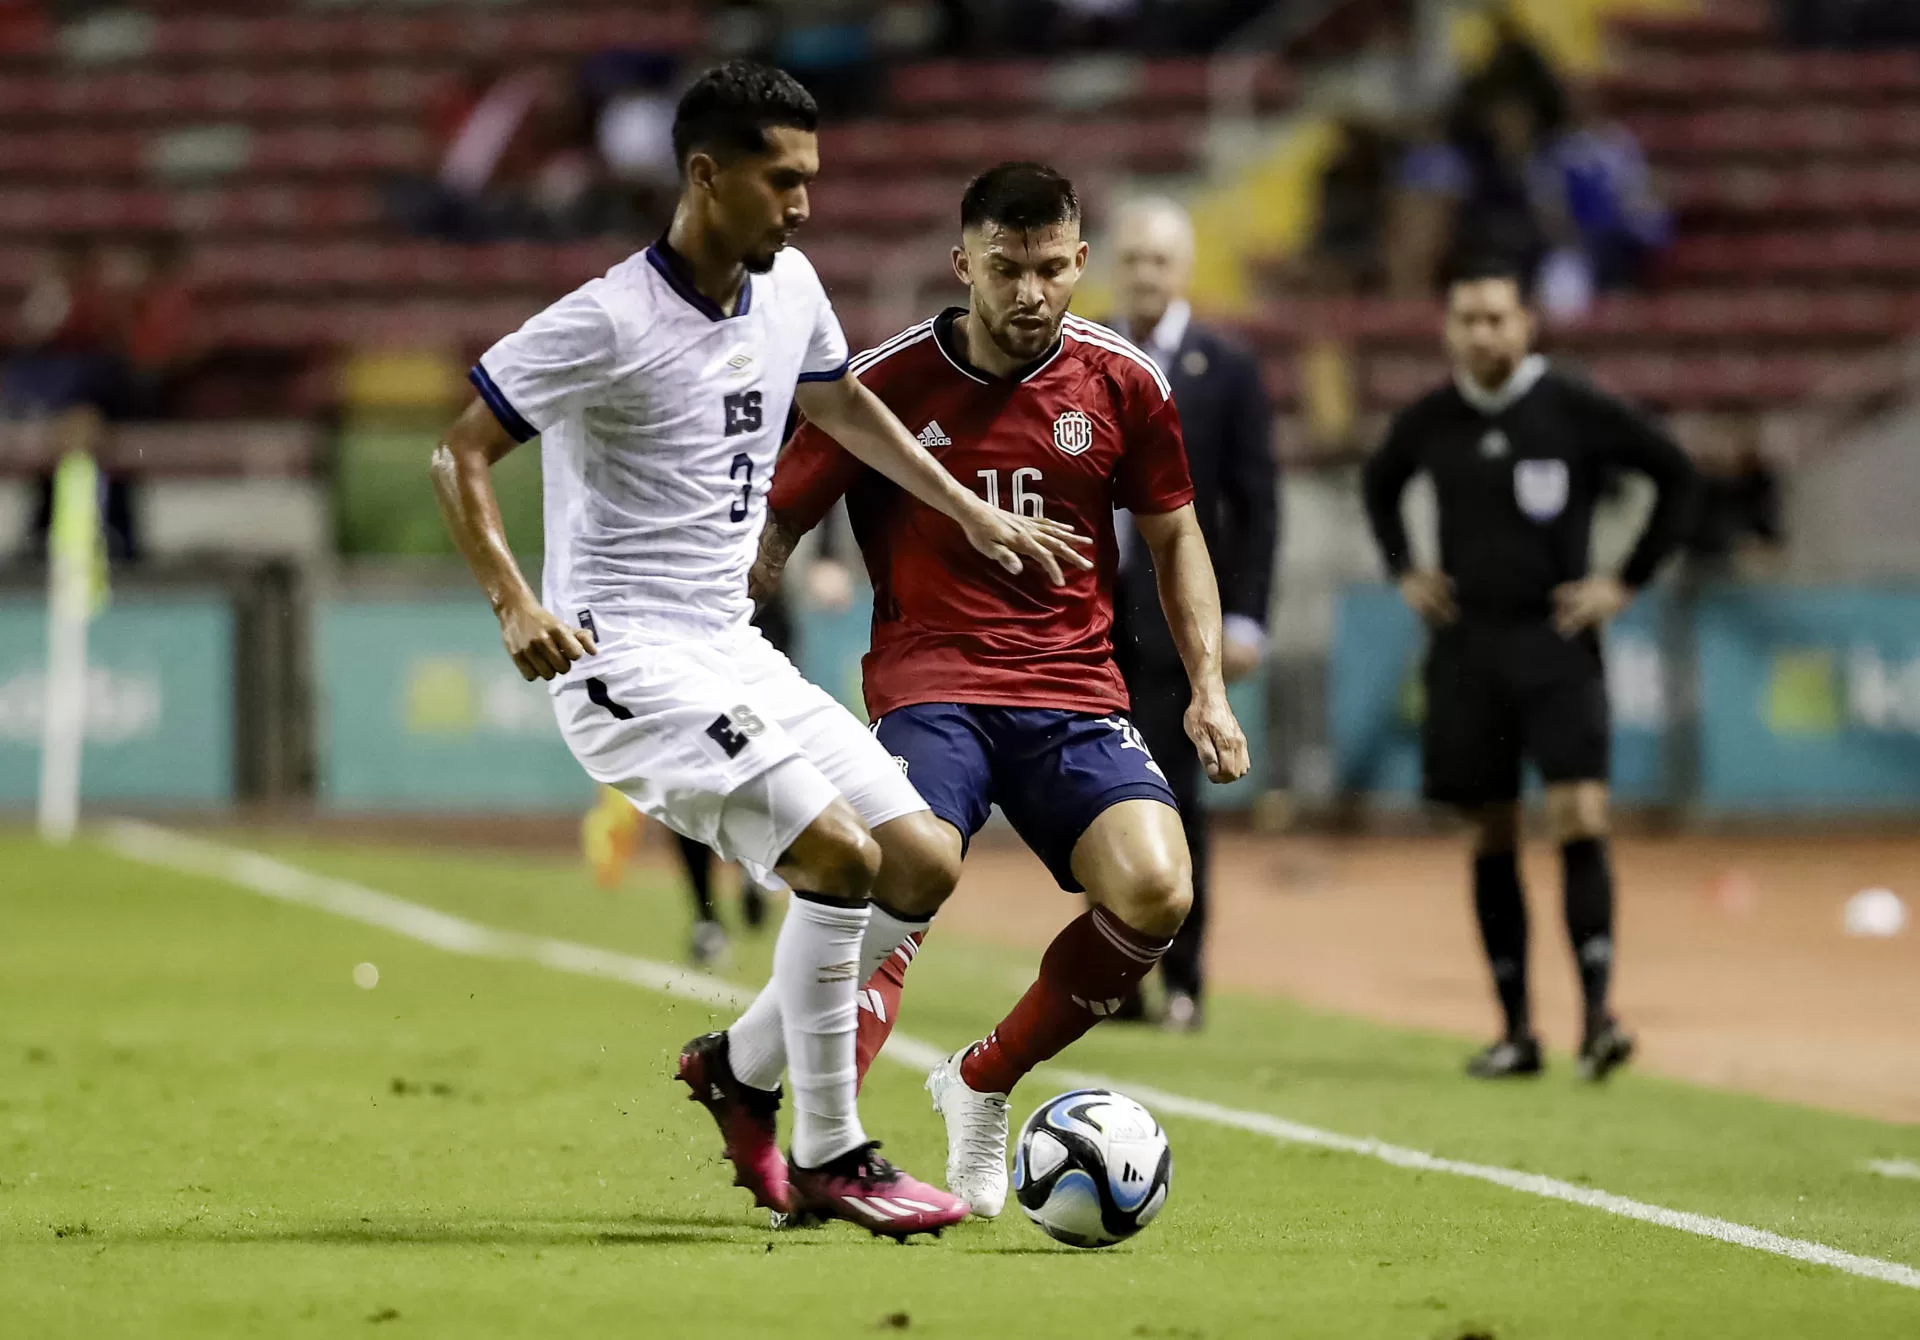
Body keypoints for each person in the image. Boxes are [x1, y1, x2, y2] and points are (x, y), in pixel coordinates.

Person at [431, 62, 1090, 1239]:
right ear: (706, 174)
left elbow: (840, 408)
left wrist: (970, 510)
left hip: (730, 648)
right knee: (836, 857)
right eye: (781, 180)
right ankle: (836, 1150)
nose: (802, 204)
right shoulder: (609, 316)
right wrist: (513, 602)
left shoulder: (790, 294)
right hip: (623, 656)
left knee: (921, 862)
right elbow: (460, 451)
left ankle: (740, 1066)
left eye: (810, 179)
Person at [753, 161, 1250, 1217]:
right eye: (1006, 268)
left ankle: (979, 1079)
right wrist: (730, 633)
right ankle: (823, 1146)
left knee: (1160, 891)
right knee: (912, 863)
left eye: (1050, 268)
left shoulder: (1124, 384)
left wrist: (1206, 684)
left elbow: (1175, 534)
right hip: (931, 680)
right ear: (962, 263)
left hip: (1075, 690)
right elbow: (779, 524)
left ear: (1082, 261)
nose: (1031, 292)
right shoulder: (884, 381)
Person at [1360, 255, 1695, 1083]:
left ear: (1526, 324)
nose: (1483, 333)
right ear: (1448, 330)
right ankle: (1516, 1031)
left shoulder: (1572, 407)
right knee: (1492, 831)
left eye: (1497, 318)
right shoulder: (1434, 417)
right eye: (1468, 319)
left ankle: (1598, 1017)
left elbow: (1676, 474)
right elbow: (1379, 483)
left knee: (1581, 813)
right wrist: (1405, 566)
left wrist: (1625, 581)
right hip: (1468, 648)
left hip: (1556, 644)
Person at [1105, 196, 1278, 1031]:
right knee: (1096, 800)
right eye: (1133, 259)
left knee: (1177, 795)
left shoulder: (1228, 366)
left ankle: (1185, 978)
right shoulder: (1079, 354)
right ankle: (1116, 978)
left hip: (1178, 616)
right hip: (1086, 616)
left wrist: (1245, 616)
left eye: (1159, 261)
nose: (1145, 275)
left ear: (1185, 269)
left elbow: (1257, 501)